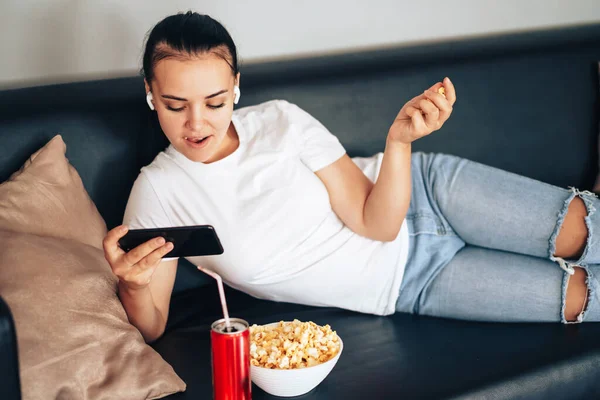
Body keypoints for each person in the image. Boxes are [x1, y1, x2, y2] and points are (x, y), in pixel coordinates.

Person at [102, 11, 599, 343]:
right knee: (586, 299)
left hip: (429, 194)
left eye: (214, 102)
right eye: (174, 105)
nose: (196, 124)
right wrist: (133, 286)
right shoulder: (158, 192)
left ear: (235, 87)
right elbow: (153, 326)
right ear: (150, 93)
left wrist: (398, 142)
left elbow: (376, 223)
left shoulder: (279, 119)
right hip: (411, 285)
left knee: (593, 235)